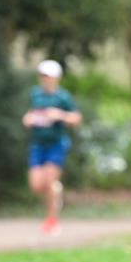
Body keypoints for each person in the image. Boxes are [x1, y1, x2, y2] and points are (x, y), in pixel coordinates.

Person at [22, 60, 82, 234]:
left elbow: (76, 118)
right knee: (36, 185)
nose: (45, 79)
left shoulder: (63, 97)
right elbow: (29, 114)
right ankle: (56, 193)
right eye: (43, 75)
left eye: (48, 76)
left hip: (56, 144)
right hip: (37, 145)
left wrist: (60, 115)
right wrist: (28, 119)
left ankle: (52, 220)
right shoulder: (35, 94)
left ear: (56, 78)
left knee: (49, 182)